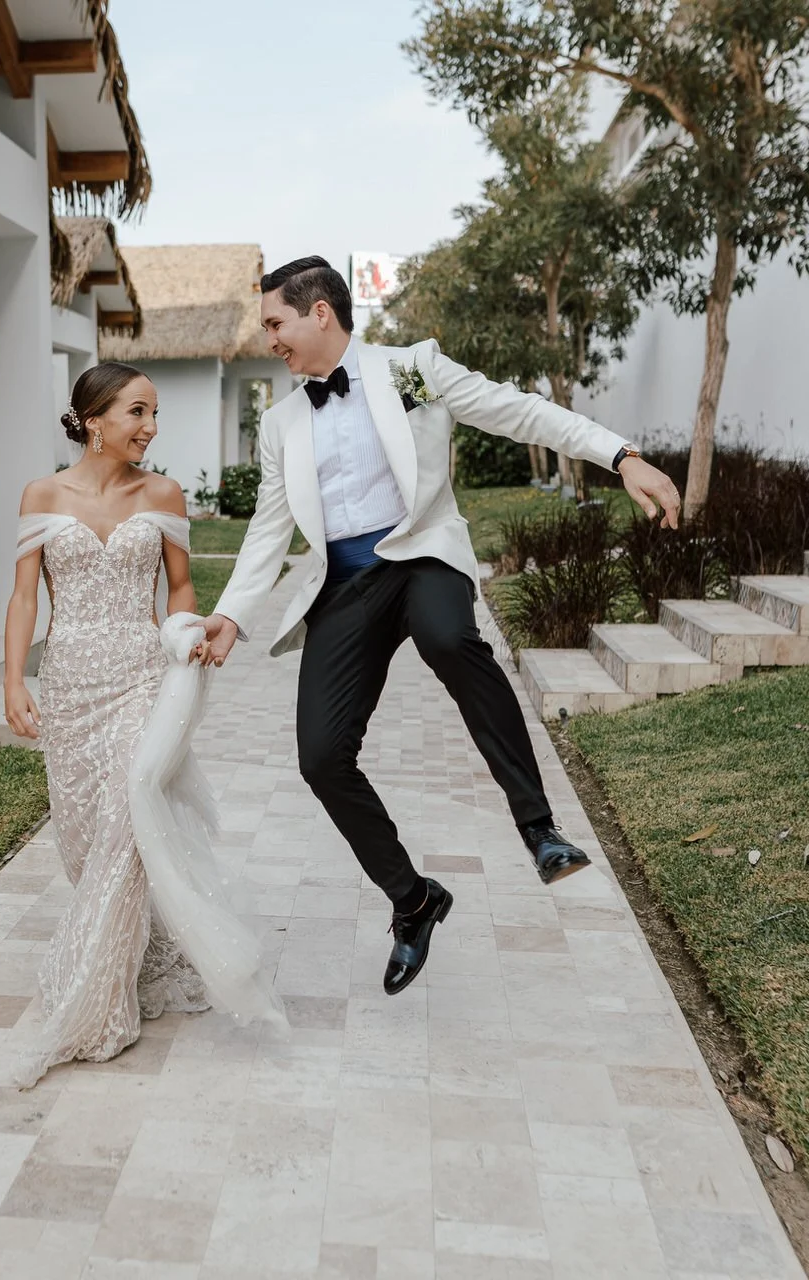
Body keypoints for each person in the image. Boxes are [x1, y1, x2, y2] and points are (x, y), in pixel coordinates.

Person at [199, 257, 683, 995]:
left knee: (449, 637)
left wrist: (621, 456)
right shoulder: (281, 423)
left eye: (275, 323)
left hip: (420, 555)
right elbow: (269, 527)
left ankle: (539, 829)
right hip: (345, 586)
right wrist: (232, 613)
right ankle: (414, 901)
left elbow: (520, 411)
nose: (269, 339)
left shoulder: (412, 370)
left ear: (320, 312)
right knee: (321, 758)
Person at [1, 362, 281, 1086]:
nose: (151, 427)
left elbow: (180, 586)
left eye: (154, 413)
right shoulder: (40, 495)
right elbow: (26, 599)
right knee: (84, 841)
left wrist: (183, 638)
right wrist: (13, 680)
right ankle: (143, 948)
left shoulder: (163, 494)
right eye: (137, 412)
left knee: (130, 820)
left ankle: (97, 1002)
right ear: (94, 419)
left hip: (140, 681)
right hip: (70, 685)